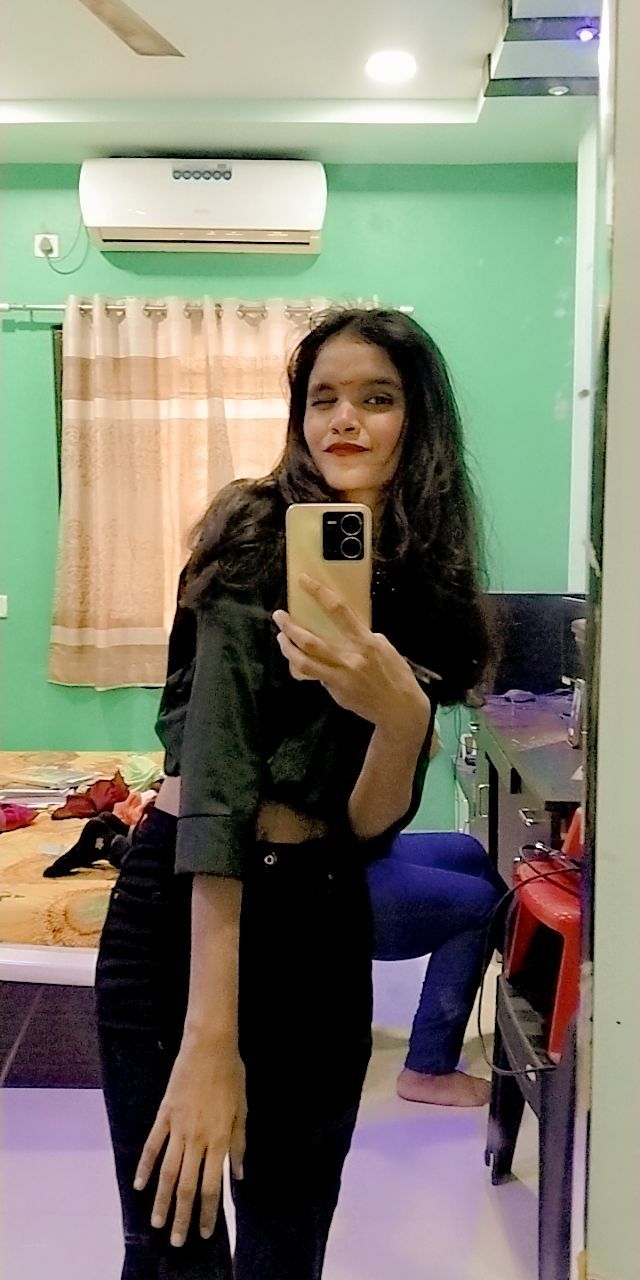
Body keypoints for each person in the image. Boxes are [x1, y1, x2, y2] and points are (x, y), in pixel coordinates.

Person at [95, 307, 492, 1280]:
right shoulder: (250, 531)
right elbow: (218, 784)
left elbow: (361, 826)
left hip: (318, 916)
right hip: (186, 914)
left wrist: (400, 718)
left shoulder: (416, 578)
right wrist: (209, 1039)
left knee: (287, 1243)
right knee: (174, 1245)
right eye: (323, 398)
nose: (343, 419)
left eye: (376, 397)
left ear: (418, 420)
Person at [368, 828, 507, 1107]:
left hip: (349, 852)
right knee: (479, 905)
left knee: (466, 851)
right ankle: (428, 1069)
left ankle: (546, 987)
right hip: (308, 879)